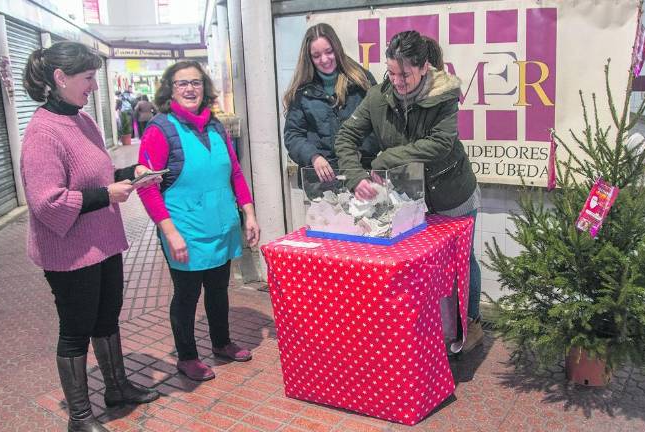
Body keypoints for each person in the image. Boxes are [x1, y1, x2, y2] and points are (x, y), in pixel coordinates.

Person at [20, 42, 160, 432]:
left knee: (107, 317)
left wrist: (130, 173)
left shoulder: (84, 120)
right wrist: (106, 195)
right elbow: (46, 203)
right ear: (60, 79)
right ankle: (80, 417)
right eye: (87, 78)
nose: (94, 87)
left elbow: (95, 177)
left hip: (102, 243)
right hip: (69, 252)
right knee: (76, 329)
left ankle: (116, 388)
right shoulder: (42, 132)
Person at [335, 31, 485, 353]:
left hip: (452, 194)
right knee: (424, 268)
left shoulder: (444, 94)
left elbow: (441, 144)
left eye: (405, 74)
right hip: (411, 203)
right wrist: (355, 176)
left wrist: (386, 158)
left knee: (461, 262)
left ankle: (471, 322)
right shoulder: (378, 97)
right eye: (392, 72)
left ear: (423, 67)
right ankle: (431, 329)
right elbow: (346, 137)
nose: (398, 81)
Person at [137, 60, 261, 381]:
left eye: (196, 82)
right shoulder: (160, 129)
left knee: (219, 289)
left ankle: (221, 343)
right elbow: (148, 188)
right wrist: (170, 232)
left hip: (221, 225)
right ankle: (187, 356)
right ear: (170, 90)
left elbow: (234, 172)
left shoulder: (215, 126)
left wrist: (248, 212)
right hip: (184, 230)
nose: (190, 89)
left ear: (204, 87)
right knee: (187, 294)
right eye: (182, 84)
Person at [282, 23, 379, 185]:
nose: (324, 60)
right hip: (319, 182)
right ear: (309, 58)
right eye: (316, 55)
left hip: (359, 174)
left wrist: (360, 152)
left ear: (337, 49)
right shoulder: (301, 91)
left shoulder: (362, 81)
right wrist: (313, 156)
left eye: (329, 52)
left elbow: (378, 125)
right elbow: (293, 135)